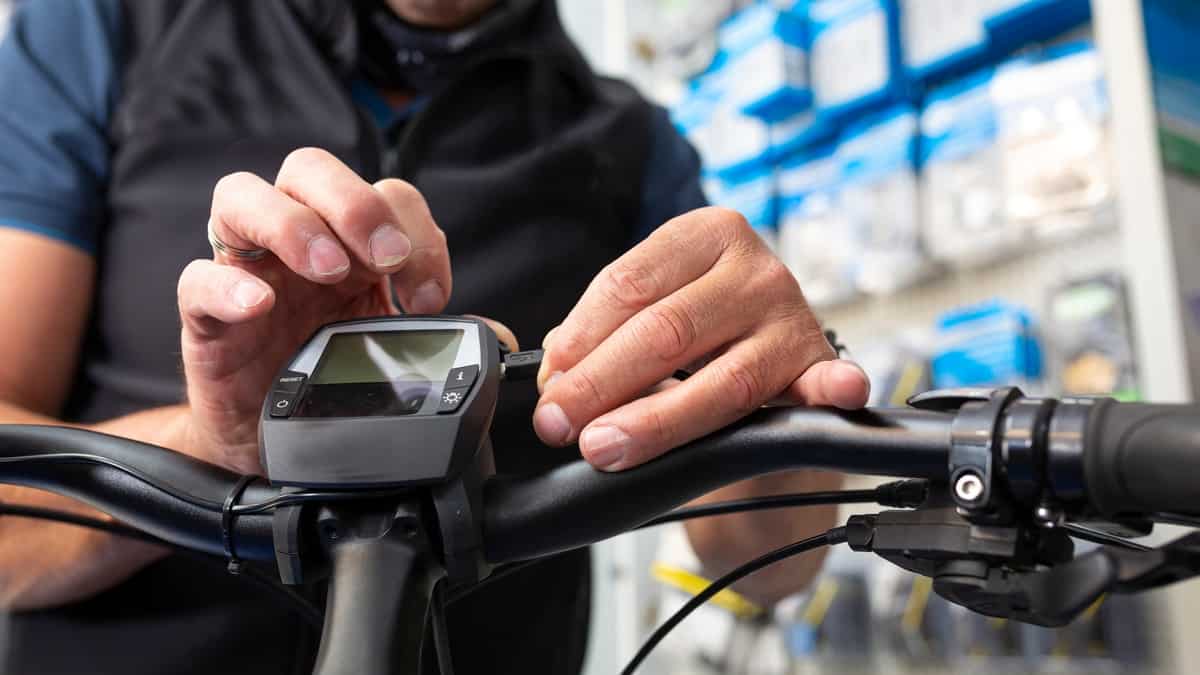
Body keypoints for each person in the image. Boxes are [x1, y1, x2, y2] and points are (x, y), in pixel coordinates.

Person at [0, 0, 869, 673]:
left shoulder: (635, 147)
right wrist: (215, 445)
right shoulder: (104, 26)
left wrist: (781, 406)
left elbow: (763, 565)